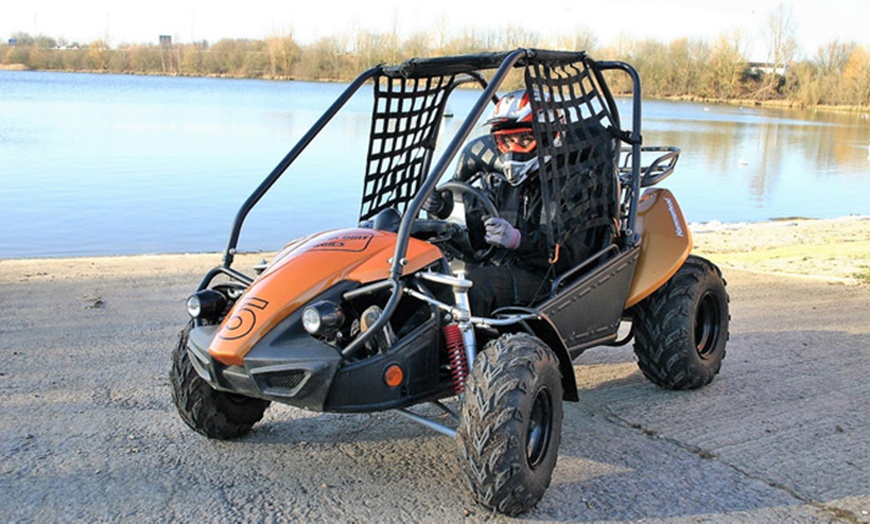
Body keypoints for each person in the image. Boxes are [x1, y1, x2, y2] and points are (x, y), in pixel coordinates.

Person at [425, 89, 571, 317]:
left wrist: (519, 240)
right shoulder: (500, 181)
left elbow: (576, 254)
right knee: (426, 281)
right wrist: (443, 209)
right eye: (507, 141)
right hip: (498, 265)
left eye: (525, 140)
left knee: (475, 287)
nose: (514, 149)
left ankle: (425, 349)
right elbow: (478, 233)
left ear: (549, 137)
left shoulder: (573, 183)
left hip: (546, 276)